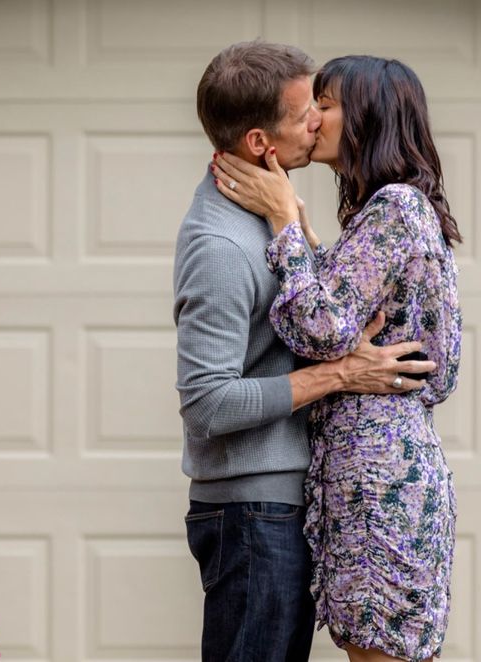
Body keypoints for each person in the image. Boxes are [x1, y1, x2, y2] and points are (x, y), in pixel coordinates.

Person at [174, 42, 437, 662]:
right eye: (306, 112)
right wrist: (342, 372)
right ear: (263, 143)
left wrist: (298, 230)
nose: (319, 121)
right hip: (251, 512)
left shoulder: (270, 215)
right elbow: (206, 404)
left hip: (279, 502)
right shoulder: (220, 243)